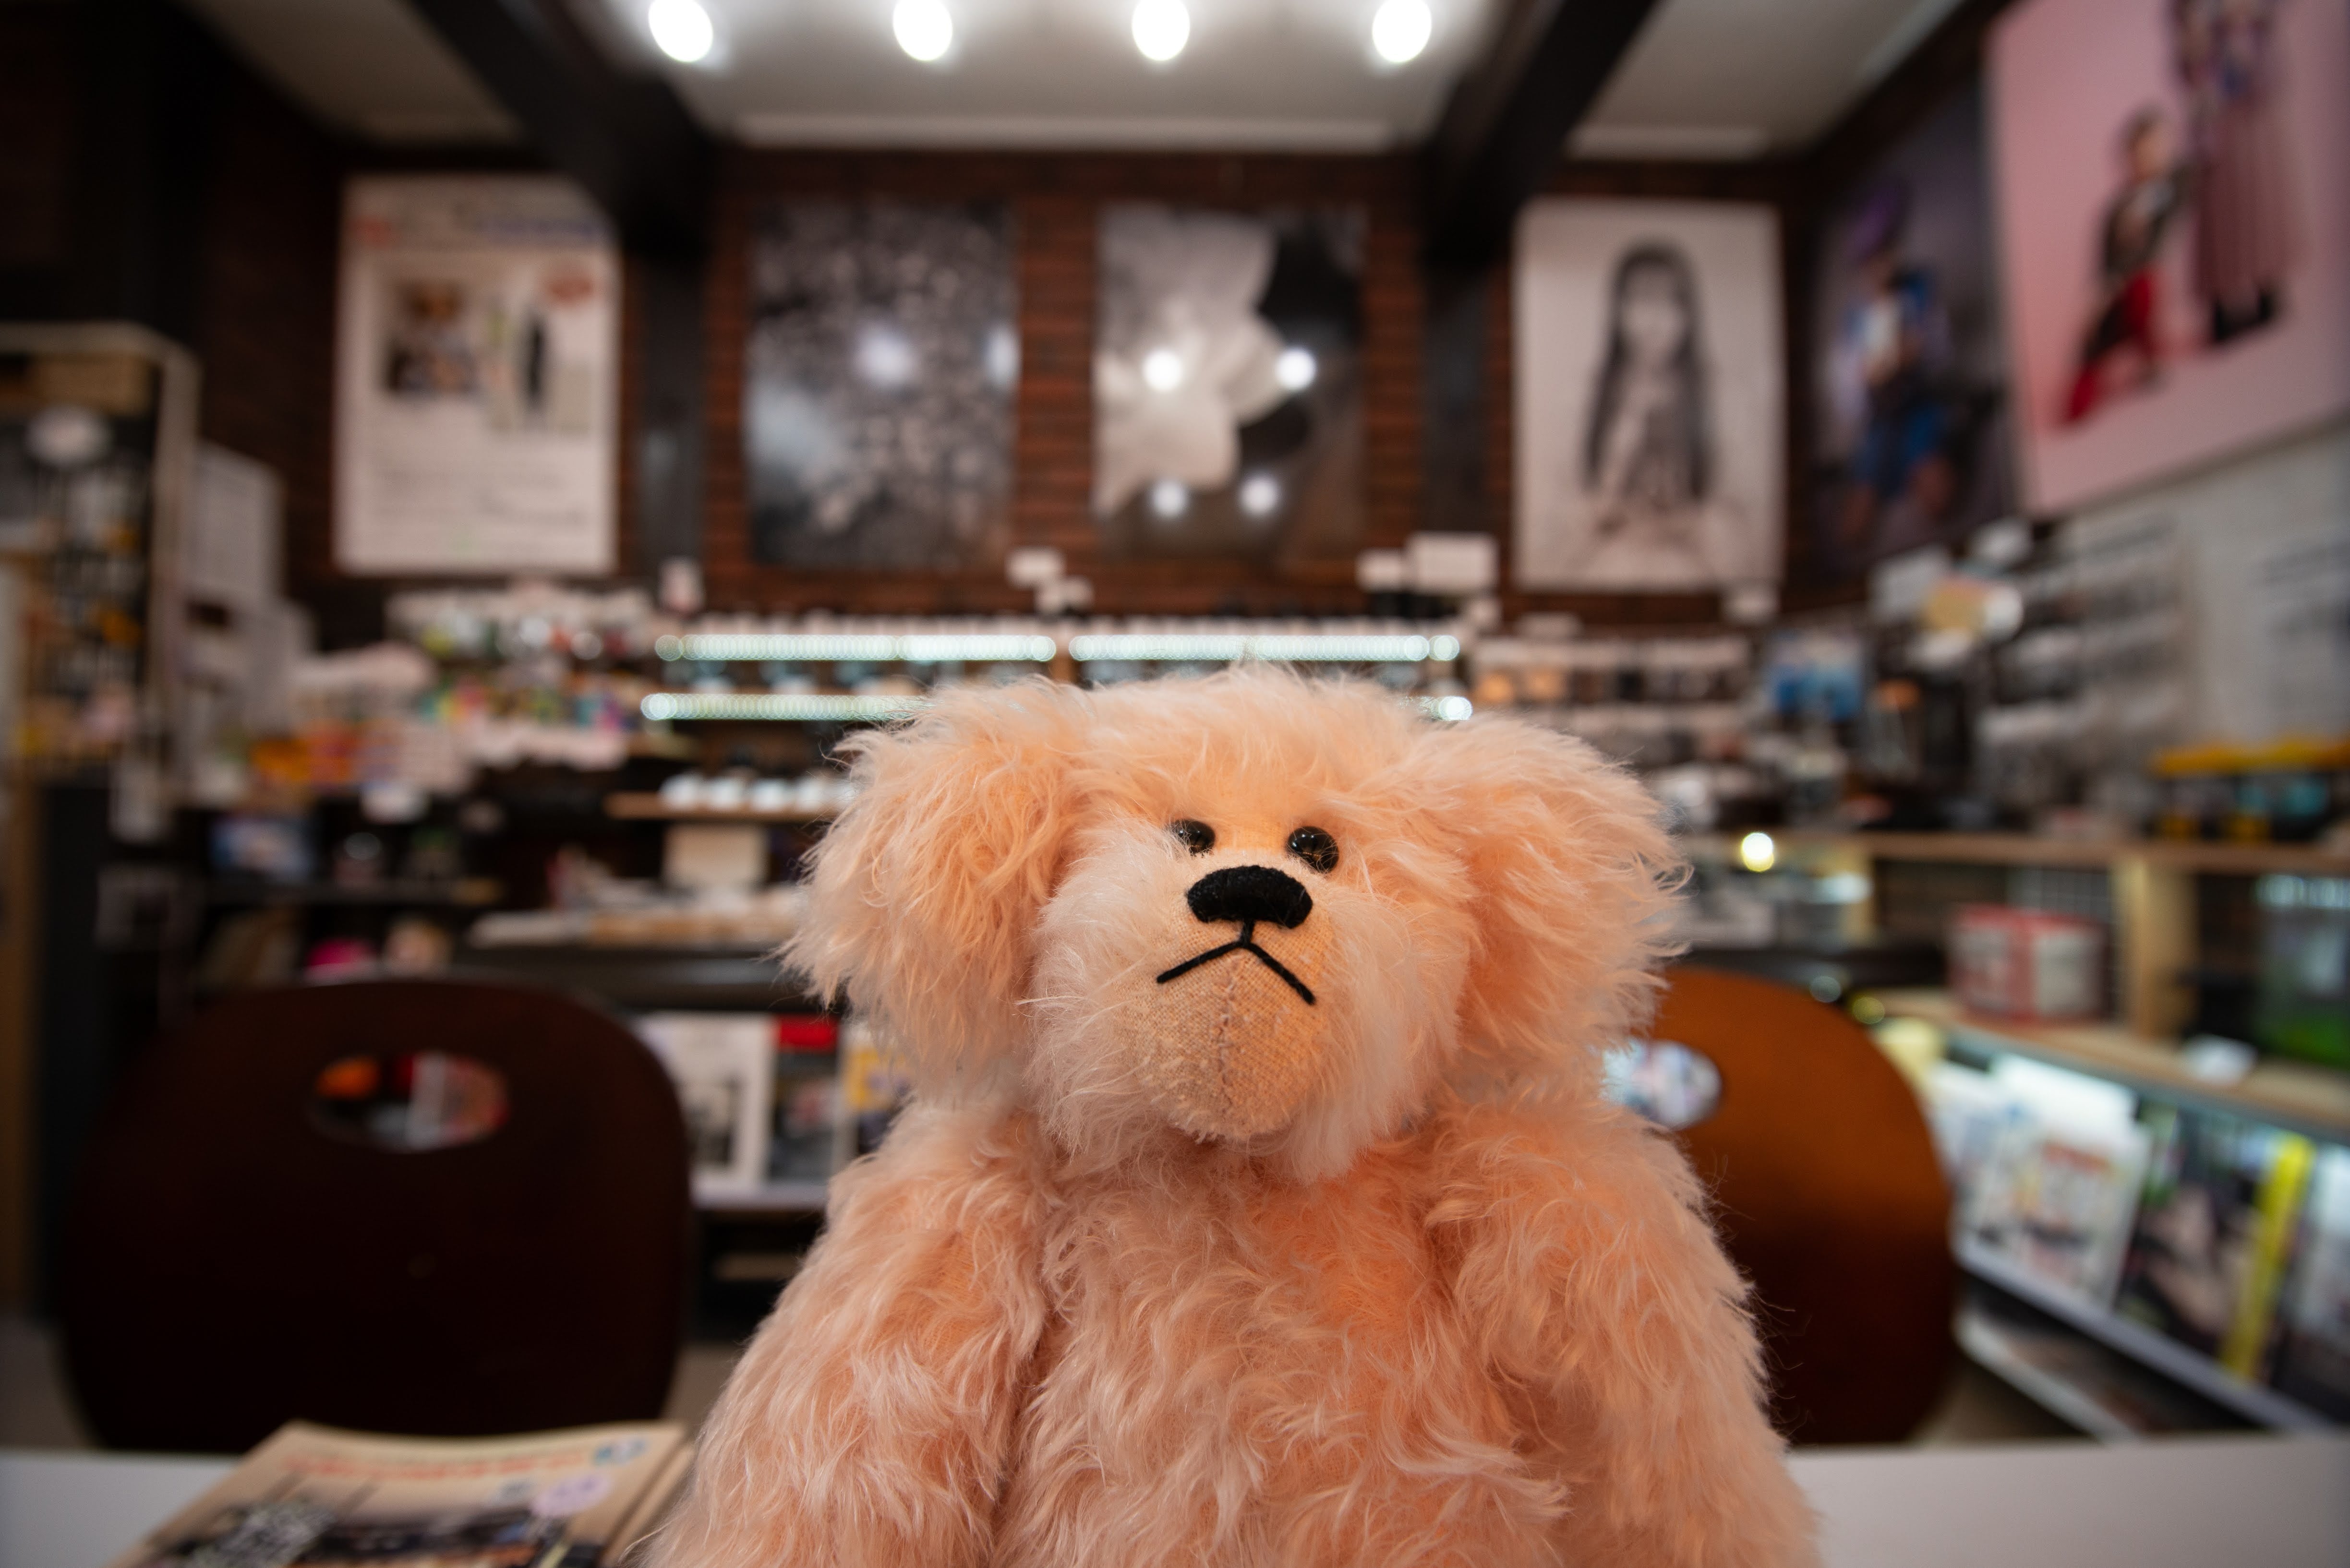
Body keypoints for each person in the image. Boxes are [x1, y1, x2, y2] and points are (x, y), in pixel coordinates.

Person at [1565, 243, 1743, 583]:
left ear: (1687, 313)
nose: (1653, 320)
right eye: (1640, 301)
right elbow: (1587, 510)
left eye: (1668, 302)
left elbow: (1730, 509)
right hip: (1614, 564)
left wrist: (1690, 523)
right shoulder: (1595, 397)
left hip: (1692, 565)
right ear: (1618, 310)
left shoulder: (1715, 396)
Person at [1832, 181, 1958, 560]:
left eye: (1886, 252)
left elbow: (1942, 353)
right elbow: (1847, 396)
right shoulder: (1853, 318)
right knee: (1854, 524)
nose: (1880, 266)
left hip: (1919, 409)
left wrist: (1919, 350)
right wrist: (1864, 377)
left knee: (1939, 498)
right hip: (1879, 422)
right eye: (1871, 259)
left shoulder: (1920, 291)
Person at [2174, 0, 2301, 345]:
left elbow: (2268, 20)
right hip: (2215, 121)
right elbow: (2188, 57)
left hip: (2252, 109)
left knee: (2261, 196)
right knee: (2220, 211)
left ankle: (2268, 289)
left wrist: (2246, 17)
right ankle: (2221, 308)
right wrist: (2200, 34)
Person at [2063, 109, 2187, 424]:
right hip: (2113, 292)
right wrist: (2098, 301)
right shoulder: (2115, 211)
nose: (2150, 159)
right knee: (2085, 365)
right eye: (2142, 152)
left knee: (2143, 288)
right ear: (2129, 157)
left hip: (2142, 291)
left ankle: (2149, 357)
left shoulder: (2169, 190)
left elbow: (2184, 182)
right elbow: (2104, 265)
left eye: (2157, 149)